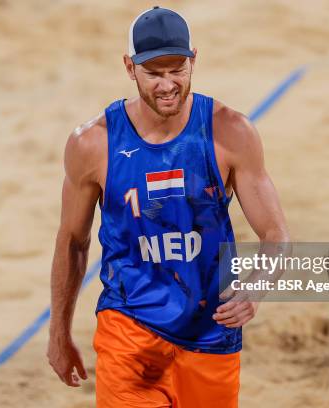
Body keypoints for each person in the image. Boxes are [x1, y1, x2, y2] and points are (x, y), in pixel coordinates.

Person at [48, 6, 288, 408]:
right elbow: (73, 241)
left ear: (194, 59)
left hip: (210, 332)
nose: (167, 85)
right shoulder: (92, 144)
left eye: (177, 70)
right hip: (128, 329)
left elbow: (276, 236)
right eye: (154, 73)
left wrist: (256, 287)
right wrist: (59, 332)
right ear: (129, 67)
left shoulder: (231, 132)